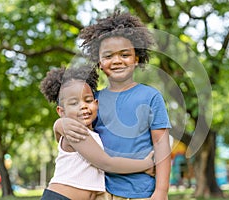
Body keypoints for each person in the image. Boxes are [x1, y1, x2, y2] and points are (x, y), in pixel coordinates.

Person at [54, 11, 172, 200]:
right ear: (99, 63)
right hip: (104, 192)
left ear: (137, 58)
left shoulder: (151, 97)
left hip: (142, 191)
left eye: (125, 55)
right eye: (108, 56)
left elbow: (162, 145)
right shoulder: (94, 101)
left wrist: (161, 191)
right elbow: (75, 137)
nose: (117, 61)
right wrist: (59, 125)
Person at [40, 66, 154, 200]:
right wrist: (146, 165)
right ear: (61, 112)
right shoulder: (76, 132)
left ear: (96, 104)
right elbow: (107, 163)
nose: (83, 106)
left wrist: (58, 125)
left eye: (88, 100)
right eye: (74, 103)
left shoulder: (92, 133)